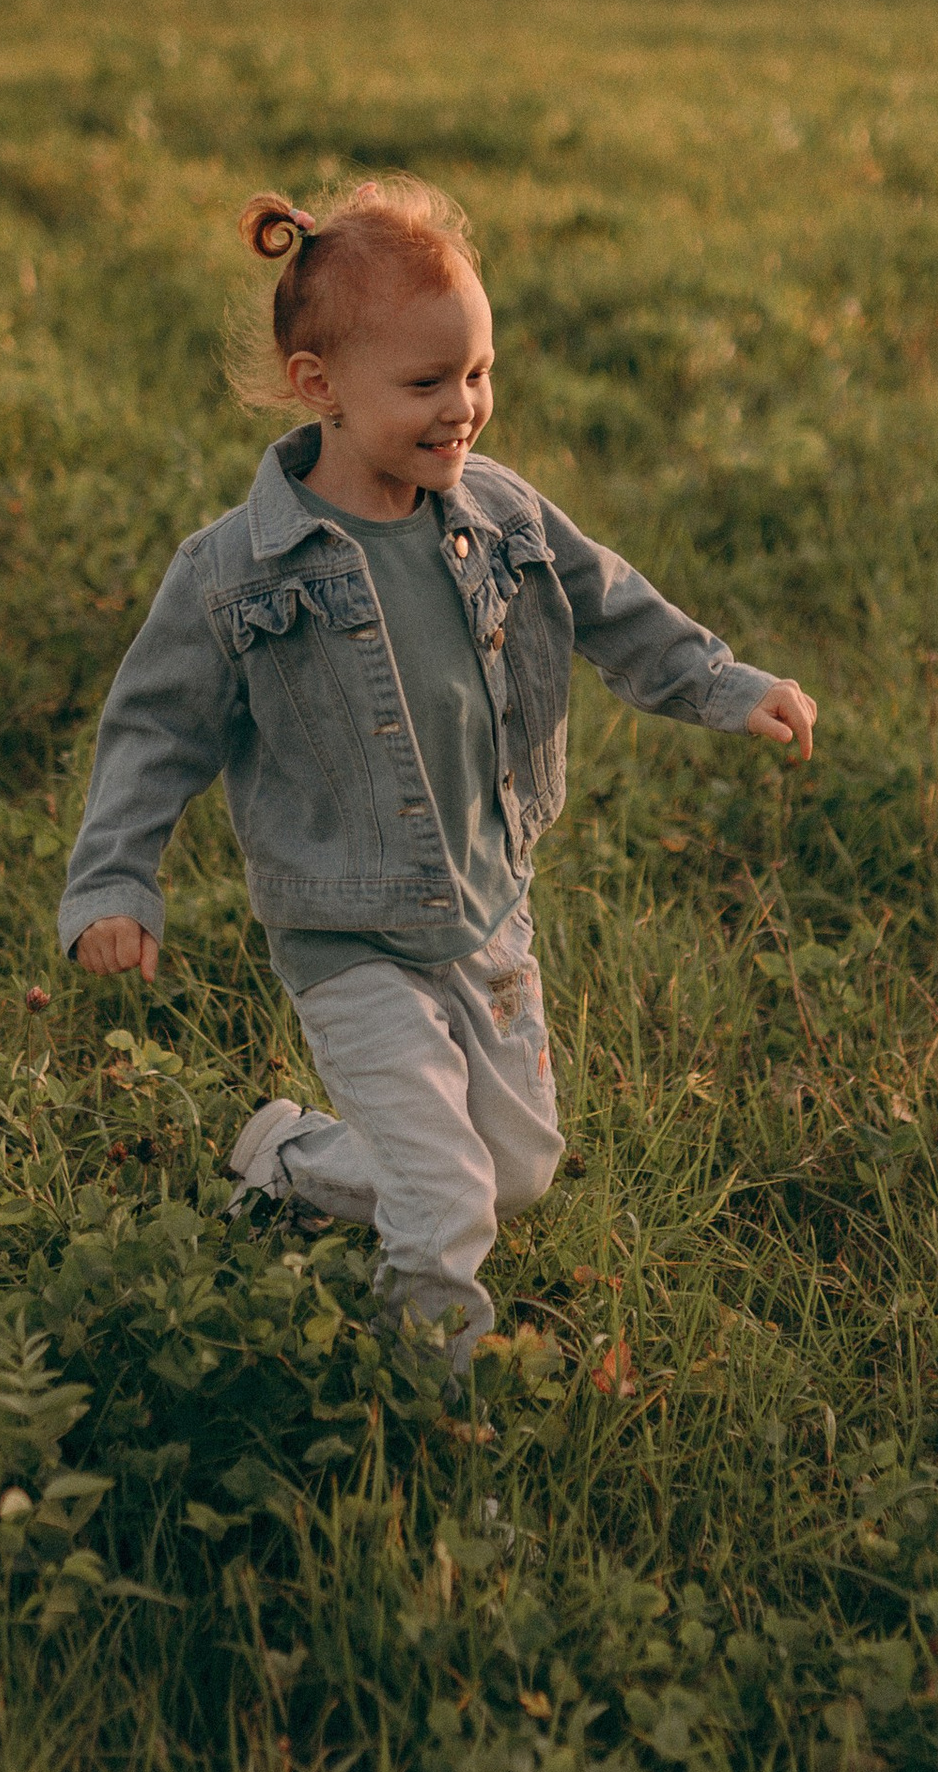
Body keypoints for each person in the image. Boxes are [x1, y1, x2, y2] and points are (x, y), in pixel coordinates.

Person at [57, 178, 818, 1366]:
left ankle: (294, 1159)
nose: (464, 407)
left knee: (514, 1172)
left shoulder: (498, 511)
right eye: (426, 383)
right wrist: (113, 882)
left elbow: (612, 603)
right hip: (346, 931)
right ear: (319, 385)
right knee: (451, 1196)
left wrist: (725, 683)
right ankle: (425, 1396)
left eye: (479, 371)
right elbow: (151, 733)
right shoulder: (236, 571)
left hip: (483, 905)